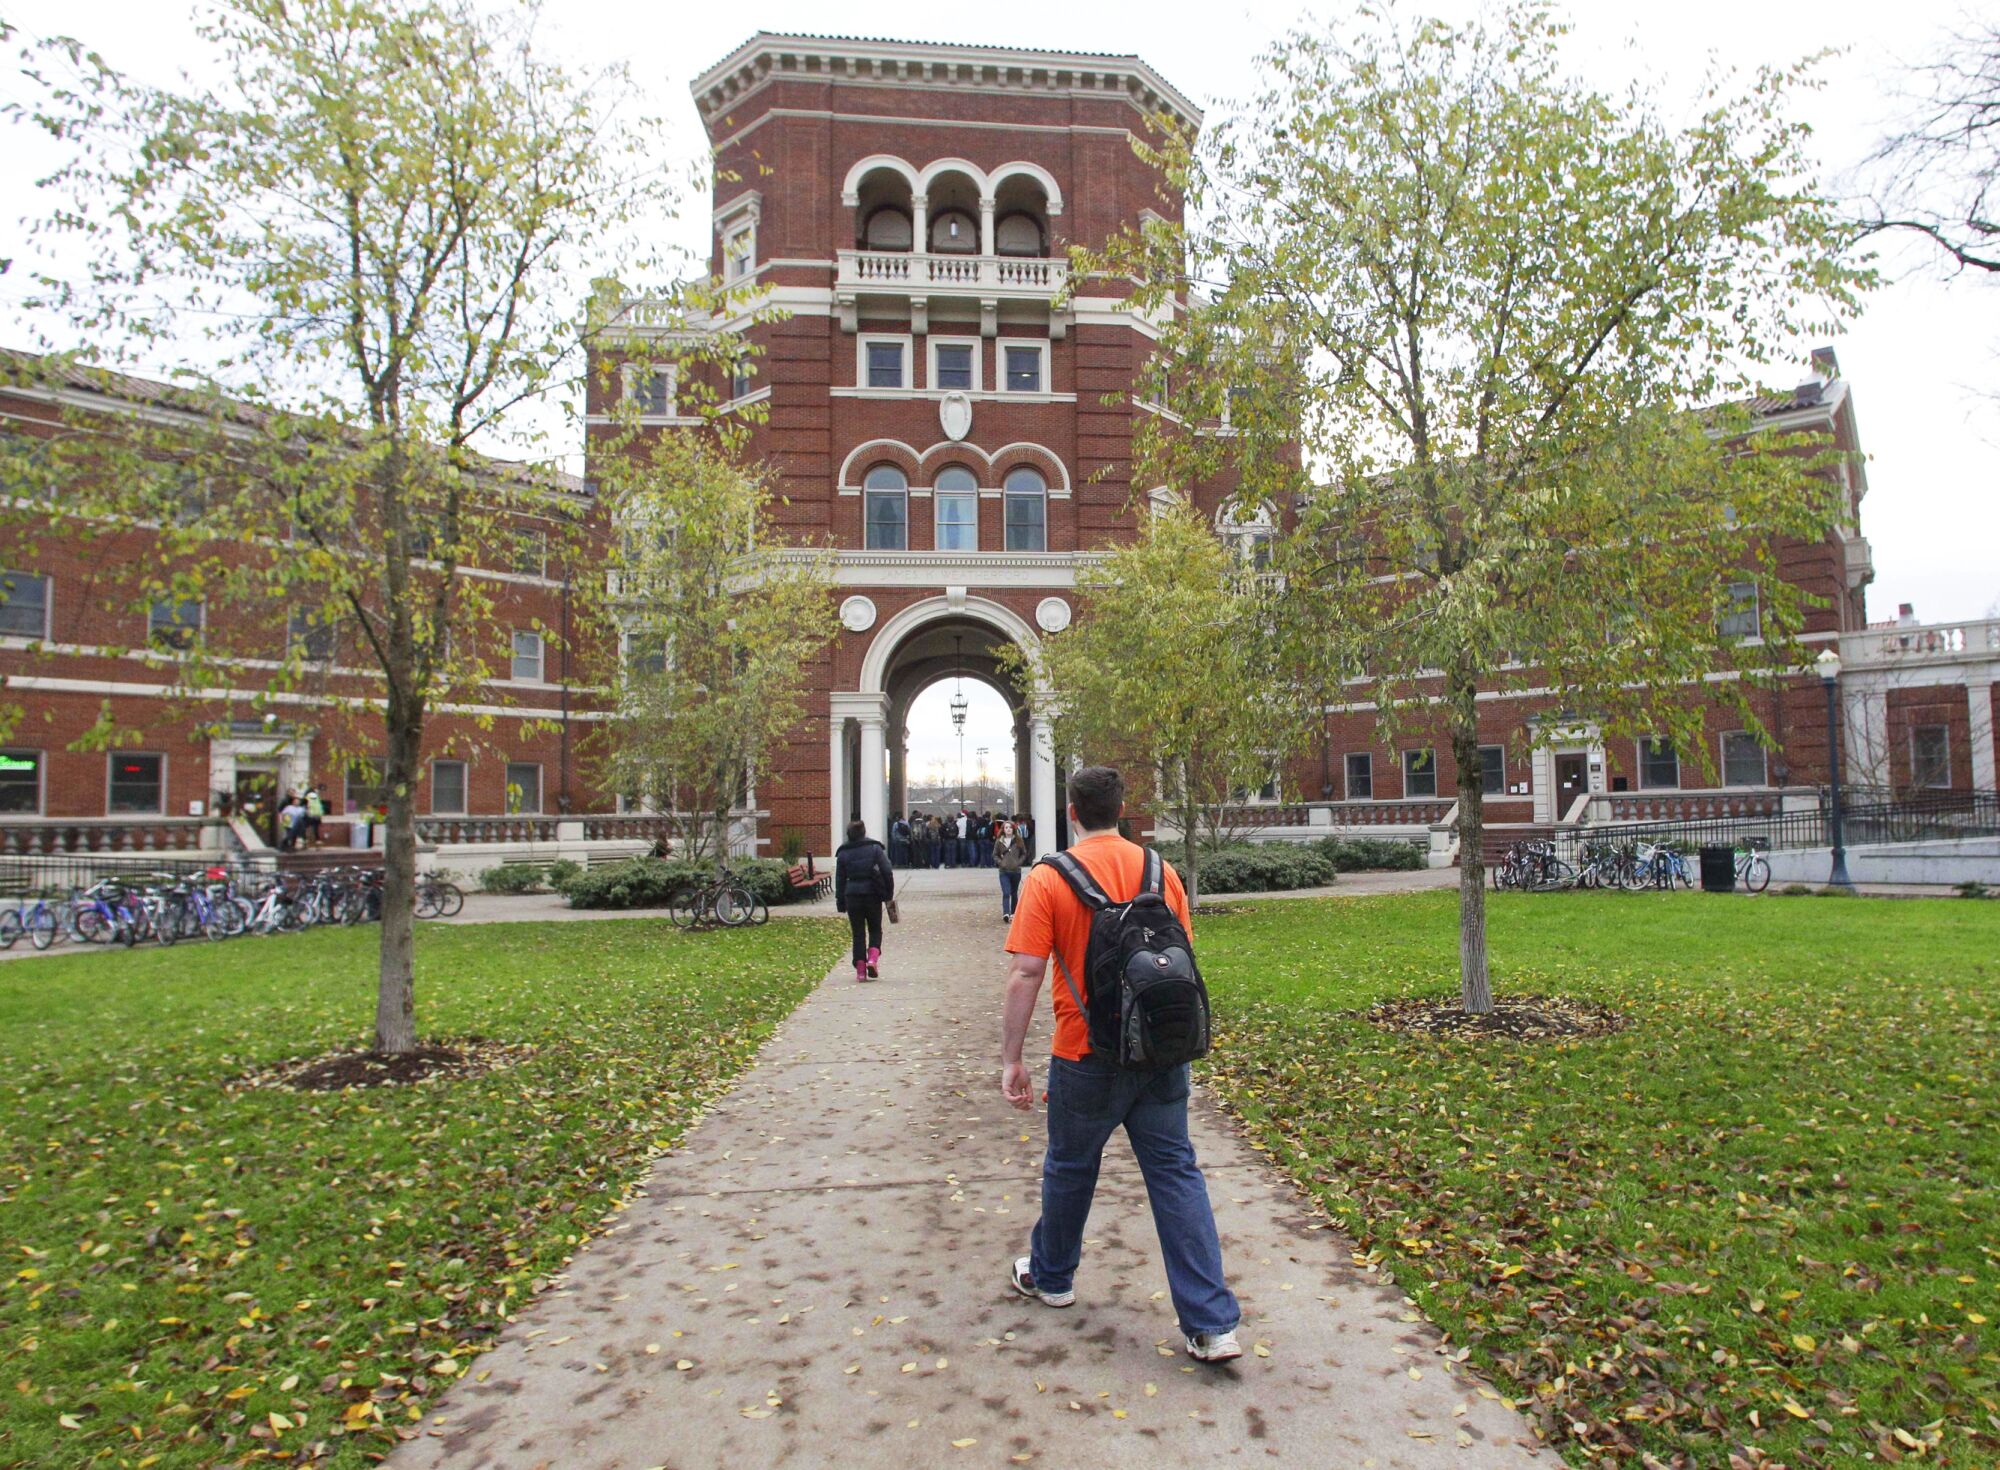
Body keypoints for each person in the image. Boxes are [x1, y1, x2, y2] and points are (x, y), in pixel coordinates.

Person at [999, 765, 1242, 1363]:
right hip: (1160, 1052)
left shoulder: (1049, 878)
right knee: (1176, 1173)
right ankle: (1212, 1324)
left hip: (1084, 1053)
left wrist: (1011, 1059)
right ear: (1123, 806)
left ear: (1072, 812)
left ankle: (1052, 1277)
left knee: (1070, 1167)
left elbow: (1027, 972)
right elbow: (1178, 959)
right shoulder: (1162, 871)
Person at [833, 818, 894, 984]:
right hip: (873, 894)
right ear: (864, 832)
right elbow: (887, 871)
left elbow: (840, 879)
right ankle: (873, 959)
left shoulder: (843, 852)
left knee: (858, 933)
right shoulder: (875, 848)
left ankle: (860, 970)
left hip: (852, 895)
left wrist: (840, 902)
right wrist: (888, 894)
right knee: (875, 929)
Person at [993, 817, 1027, 920]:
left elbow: (1024, 853)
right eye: (1006, 827)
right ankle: (1006, 913)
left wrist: (1019, 862)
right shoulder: (999, 841)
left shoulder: (1018, 841)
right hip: (1004, 871)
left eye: (1010, 828)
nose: (1008, 829)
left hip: (1015, 871)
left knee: (1014, 892)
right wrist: (1001, 863)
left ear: (1013, 829)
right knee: (1006, 892)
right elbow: (995, 855)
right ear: (1003, 829)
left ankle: (1013, 912)